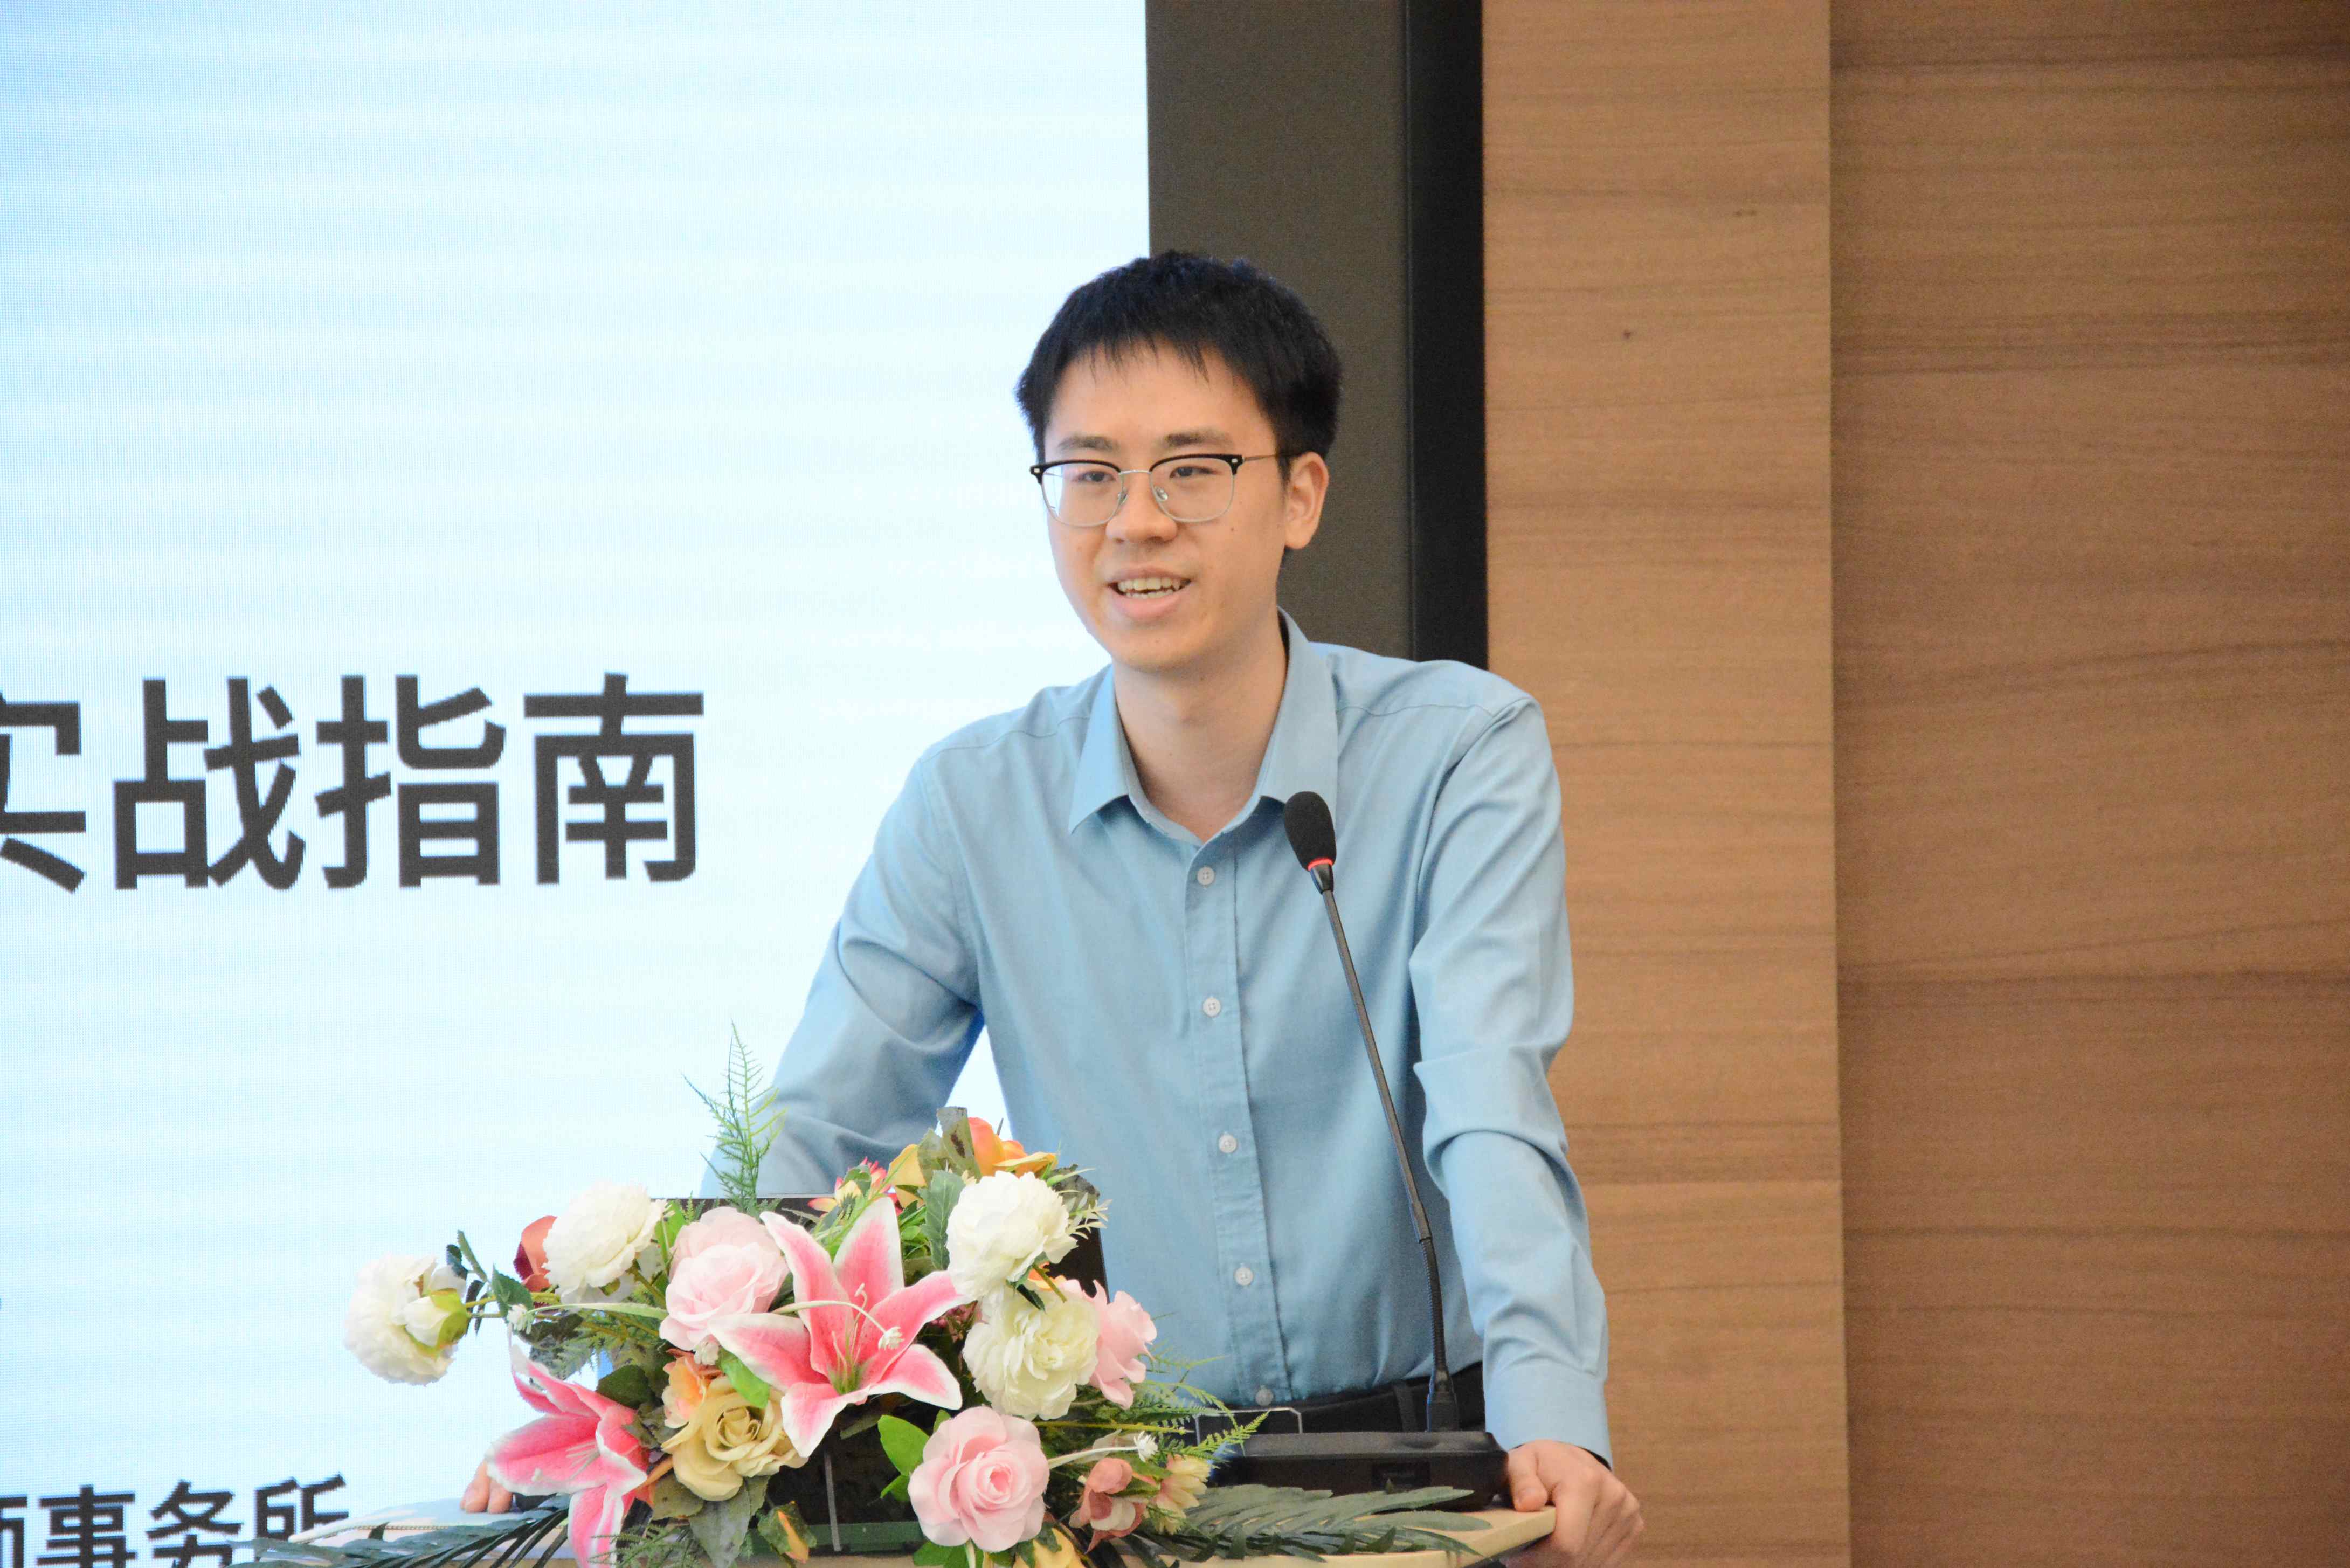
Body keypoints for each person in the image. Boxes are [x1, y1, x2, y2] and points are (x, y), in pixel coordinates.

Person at [468, 253, 1640, 1566]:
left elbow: (1487, 1102)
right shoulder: (973, 804)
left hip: (1427, 1468)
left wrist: (1551, 1415)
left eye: (1191, 471)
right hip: (1121, 1493)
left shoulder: (1456, 751)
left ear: (1301, 495)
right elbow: (816, 1142)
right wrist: (633, 1415)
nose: (1133, 523)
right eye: (1087, 474)